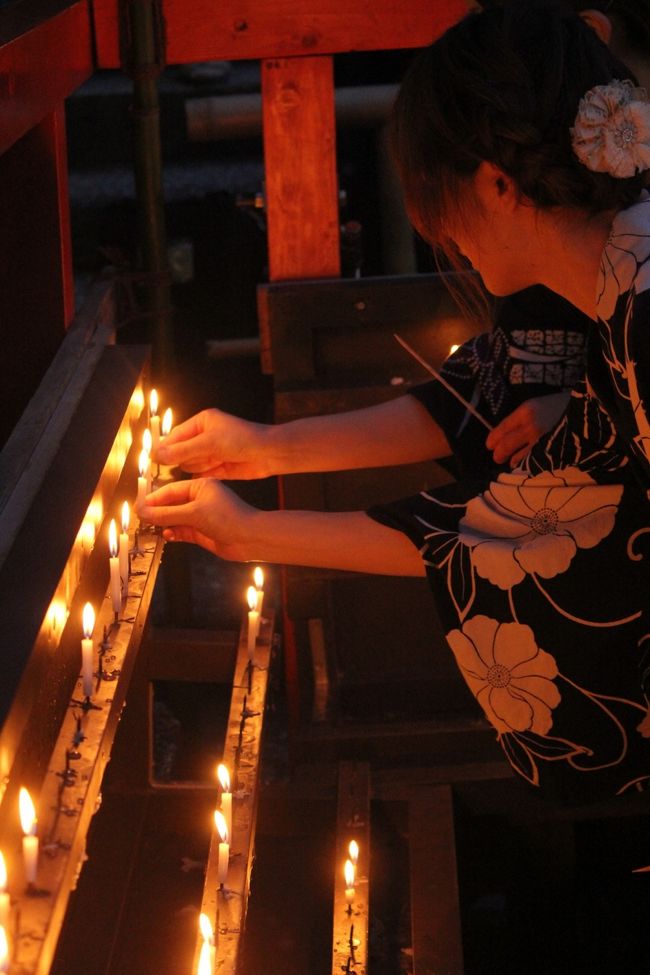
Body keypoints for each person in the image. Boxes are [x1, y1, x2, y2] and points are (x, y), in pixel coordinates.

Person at [140, 2, 650, 802]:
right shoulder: (619, 284)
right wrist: (265, 466)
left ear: (496, 182)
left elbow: (544, 533)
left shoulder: (638, 309)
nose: (439, 229)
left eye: (435, 193)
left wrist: (256, 526)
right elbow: (517, 508)